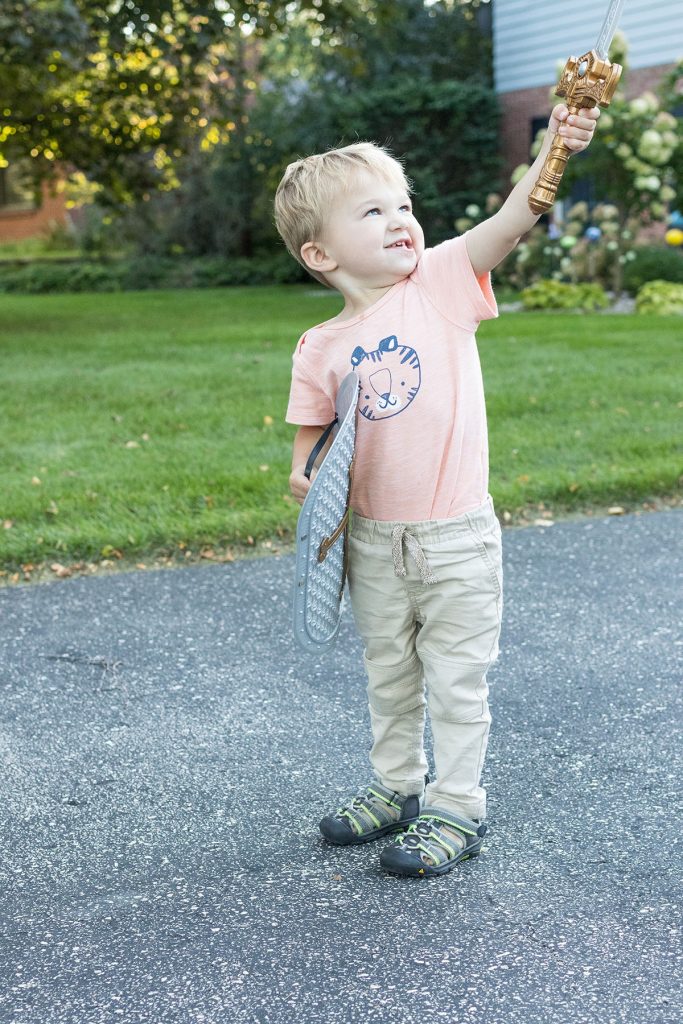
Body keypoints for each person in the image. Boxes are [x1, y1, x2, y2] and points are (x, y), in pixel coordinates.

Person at [274, 103, 599, 878]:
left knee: (455, 681)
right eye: (373, 210)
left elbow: (513, 216)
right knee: (388, 674)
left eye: (404, 205)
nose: (400, 220)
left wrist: (556, 145)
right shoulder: (318, 346)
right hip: (373, 541)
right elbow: (310, 450)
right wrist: (304, 479)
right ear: (320, 252)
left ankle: (457, 805)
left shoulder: (441, 283)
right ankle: (396, 788)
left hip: (454, 537)